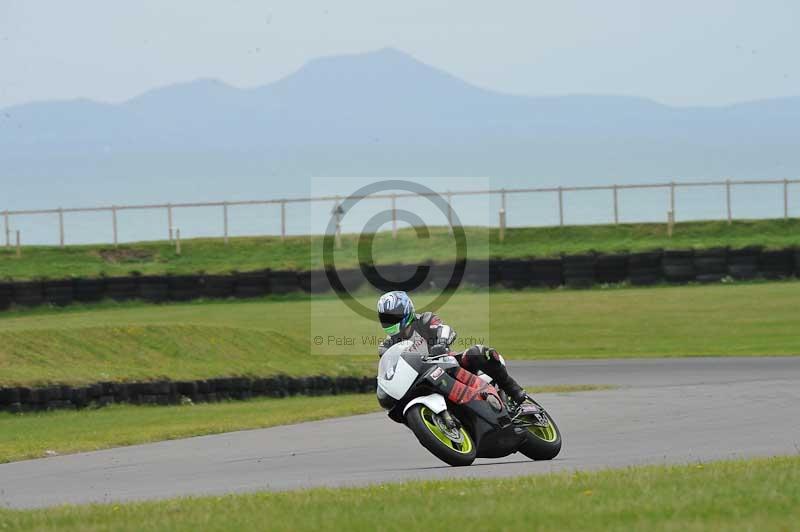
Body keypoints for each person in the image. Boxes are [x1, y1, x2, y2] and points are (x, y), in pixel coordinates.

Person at [376, 290, 529, 407]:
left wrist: (441, 344)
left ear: (406, 311)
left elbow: (445, 329)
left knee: (479, 353)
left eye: (393, 318)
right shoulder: (387, 346)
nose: (390, 322)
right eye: (385, 319)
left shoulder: (424, 320)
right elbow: (390, 367)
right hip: (422, 380)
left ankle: (514, 391)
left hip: (448, 363)